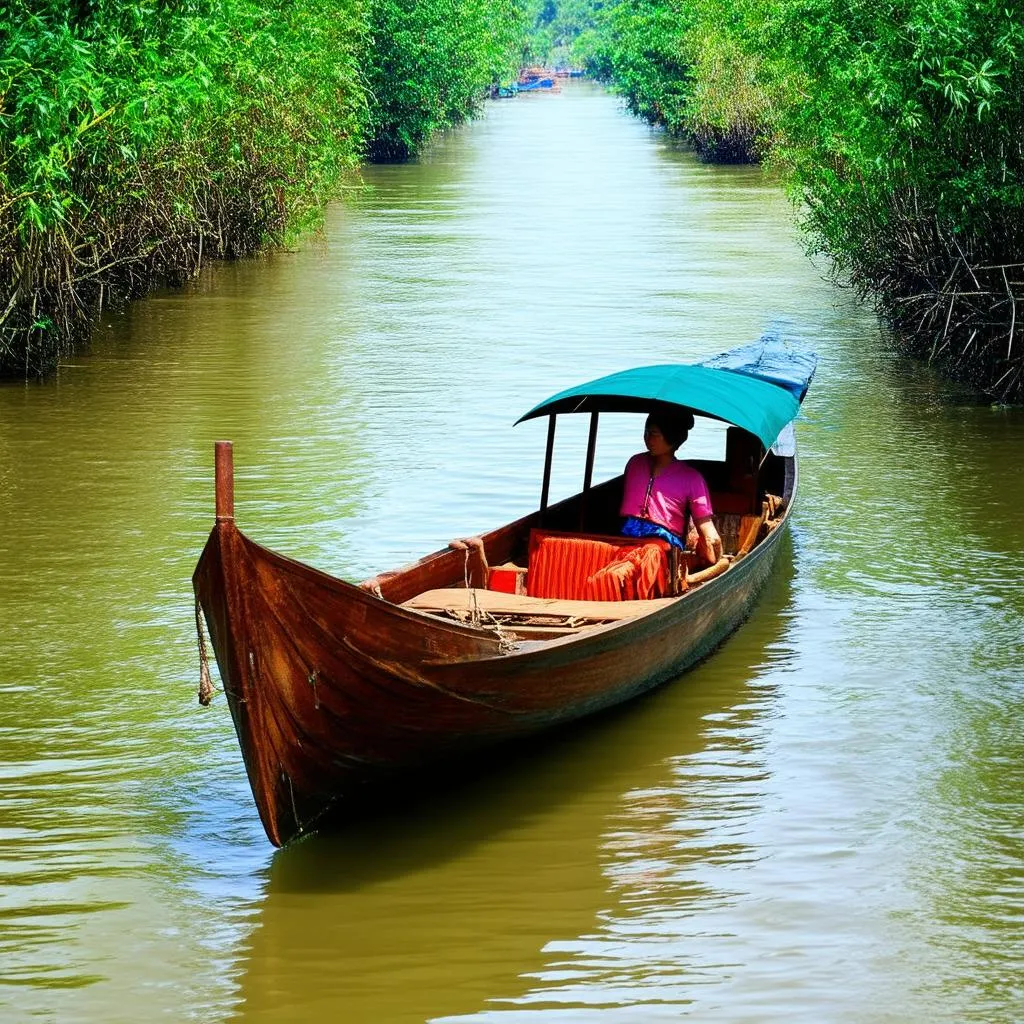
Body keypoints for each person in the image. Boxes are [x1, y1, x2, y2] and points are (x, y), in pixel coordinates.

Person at [620, 408, 723, 565]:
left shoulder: (691, 478)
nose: (647, 439)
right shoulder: (635, 463)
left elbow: (708, 531)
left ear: (672, 437)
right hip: (625, 539)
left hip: (664, 549)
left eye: (654, 434)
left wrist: (711, 548)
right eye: (646, 432)